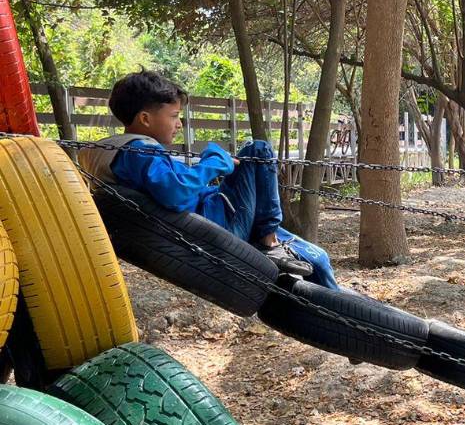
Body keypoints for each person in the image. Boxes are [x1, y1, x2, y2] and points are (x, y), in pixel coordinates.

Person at [78, 70, 338, 289]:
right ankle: (269, 241)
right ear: (145, 119)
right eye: (173, 116)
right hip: (220, 228)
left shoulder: (110, 154)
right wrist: (213, 161)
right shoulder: (139, 152)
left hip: (213, 220)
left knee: (318, 258)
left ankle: (353, 329)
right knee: (257, 150)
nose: (179, 124)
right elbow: (176, 192)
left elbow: (169, 183)